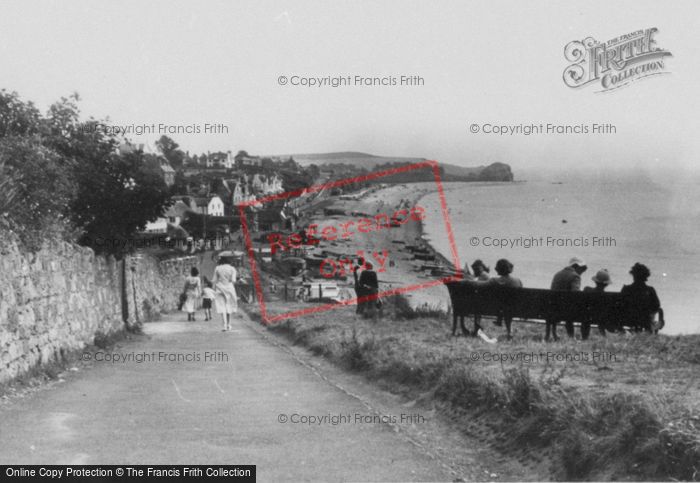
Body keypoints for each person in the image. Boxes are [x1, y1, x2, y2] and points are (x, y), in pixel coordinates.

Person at [547, 257, 587, 340]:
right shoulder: (575, 276)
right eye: (582, 269)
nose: (582, 272)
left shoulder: (557, 274)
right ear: (576, 266)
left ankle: (553, 333)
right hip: (567, 310)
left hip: (553, 308)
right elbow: (575, 294)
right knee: (586, 314)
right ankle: (577, 337)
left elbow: (552, 291)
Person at [621, 263, 661, 333]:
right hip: (645, 320)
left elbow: (620, 305)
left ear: (633, 276)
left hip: (628, 319)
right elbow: (656, 306)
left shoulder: (626, 289)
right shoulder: (650, 290)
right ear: (646, 276)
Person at [488, 258, 522, 338]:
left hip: (499, 309)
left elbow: (480, 285)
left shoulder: (494, 281)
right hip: (517, 309)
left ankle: (503, 325)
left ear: (499, 269)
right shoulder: (517, 281)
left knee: (505, 305)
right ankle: (509, 331)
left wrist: (466, 281)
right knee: (508, 305)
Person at [583, 269, 612, 338]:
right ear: (606, 284)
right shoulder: (608, 296)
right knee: (601, 315)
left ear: (595, 281)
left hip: (586, 316)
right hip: (601, 318)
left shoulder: (587, 290)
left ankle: (584, 337)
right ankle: (603, 336)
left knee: (586, 317)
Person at [212, 255, 238, 331]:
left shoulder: (217, 268)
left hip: (220, 288)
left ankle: (224, 325)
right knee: (229, 306)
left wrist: (213, 289)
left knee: (222, 306)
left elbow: (214, 280)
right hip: (229, 288)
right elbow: (233, 280)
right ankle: (229, 325)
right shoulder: (232, 268)